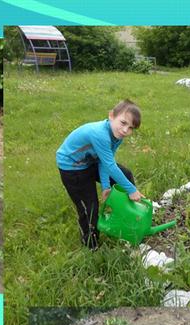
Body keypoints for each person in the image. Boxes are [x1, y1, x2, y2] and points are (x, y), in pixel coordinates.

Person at [56, 100, 146, 250]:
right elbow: (110, 165)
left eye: (131, 128)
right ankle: (91, 245)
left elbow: (105, 162)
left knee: (126, 174)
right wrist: (131, 190)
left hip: (90, 162)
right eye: (123, 123)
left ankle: (126, 217)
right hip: (72, 168)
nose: (125, 130)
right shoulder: (100, 134)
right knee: (89, 208)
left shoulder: (116, 136)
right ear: (111, 115)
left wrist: (105, 186)